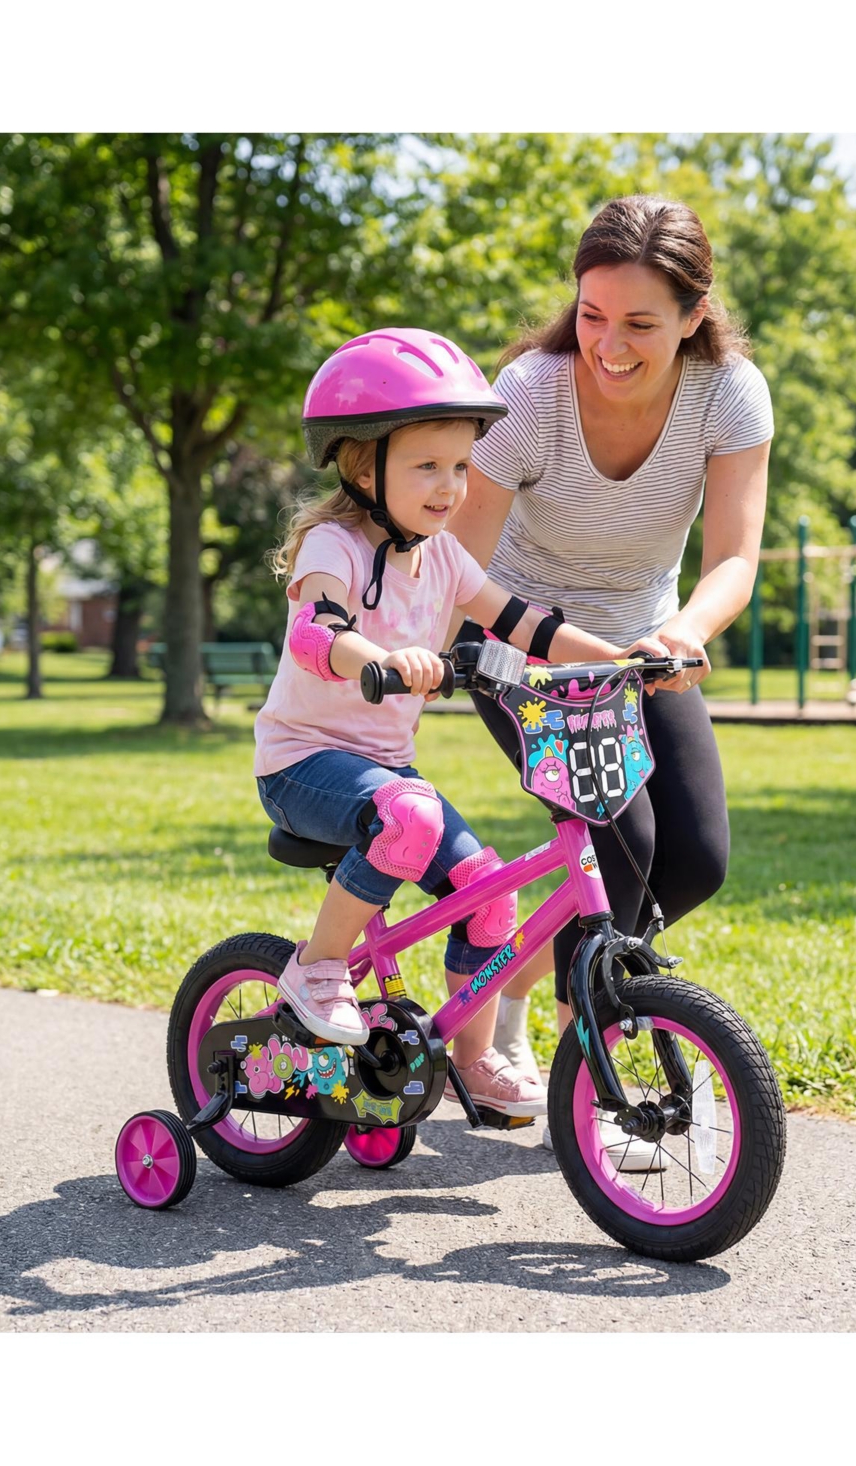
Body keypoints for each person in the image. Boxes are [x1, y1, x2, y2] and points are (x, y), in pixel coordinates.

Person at [253, 327, 664, 1120]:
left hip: (384, 773)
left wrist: (621, 658)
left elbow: (526, 626)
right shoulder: (331, 546)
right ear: (363, 466)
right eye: (427, 466)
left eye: (462, 467)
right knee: (408, 814)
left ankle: (471, 1061)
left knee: (488, 891)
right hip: (302, 764)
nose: (451, 487)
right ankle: (318, 967)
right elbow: (315, 632)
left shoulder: (444, 557)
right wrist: (374, 656)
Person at [449, 196, 773, 1161]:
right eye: (593, 315)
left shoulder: (729, 392)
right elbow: (459, 563)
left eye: (640, 322)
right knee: (622, 840)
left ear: (693, 314)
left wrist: (682, 631)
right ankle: (593, 1074)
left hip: (640, 646)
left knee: (696, 860)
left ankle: (519, 986)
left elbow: (736, 557)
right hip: (521, 649)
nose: (611, 345)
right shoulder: (529, 395)